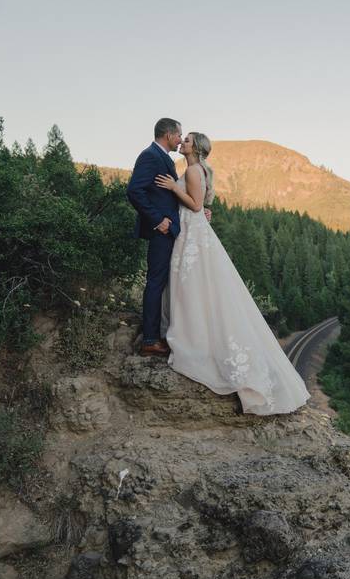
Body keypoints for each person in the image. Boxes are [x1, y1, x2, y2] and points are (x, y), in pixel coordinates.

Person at [154, 132, 310, 415]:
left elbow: (197, 205)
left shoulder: (191, 169)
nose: (183, 142)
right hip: (193, 230)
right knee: (196, 287)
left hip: (192, 233)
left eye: (187, 140)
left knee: (190, 286)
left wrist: (173, 189)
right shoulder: (194, 169)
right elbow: (202, 205)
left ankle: (195, 340)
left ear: (196, 148)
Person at [126, 118, 183, 357]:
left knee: (162, 282)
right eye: (179, 135)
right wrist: (158, 220)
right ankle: (150, 339)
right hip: (160, 230)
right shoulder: (150, 156)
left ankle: (160, 332)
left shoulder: (164, 158)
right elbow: (134, 191)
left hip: (169, 229)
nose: (180, 139)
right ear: (168, 135)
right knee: (156, 281)